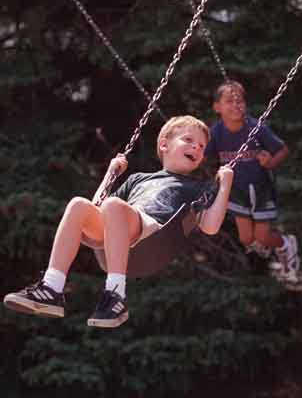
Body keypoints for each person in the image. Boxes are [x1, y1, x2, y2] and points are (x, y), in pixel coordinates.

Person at [4, 116, 234, 328]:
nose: (197, 147)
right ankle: (52, 287)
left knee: (113, 205)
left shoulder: (196, 187)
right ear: (164, 145)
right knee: (78, 205)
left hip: (154, 234)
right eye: (189, 140)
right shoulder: (138, 179)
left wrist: (224, 184)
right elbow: (96, 207)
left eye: (202, 146)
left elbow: (210, 226)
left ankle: (115, 294)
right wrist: (110, 173)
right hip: (119, 230)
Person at [205, 80, 300, 282]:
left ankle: (284, 243)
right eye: (229, 101)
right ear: (217, 107)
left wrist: (269, 163)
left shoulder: (256, 127)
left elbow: (282, 149)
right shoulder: (216, 132)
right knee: (246, 239)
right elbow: (204, 156)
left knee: (262, 237)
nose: (236, 105)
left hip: (260, 188)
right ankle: (266, 247)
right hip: (236, 191)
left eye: (240, 100)